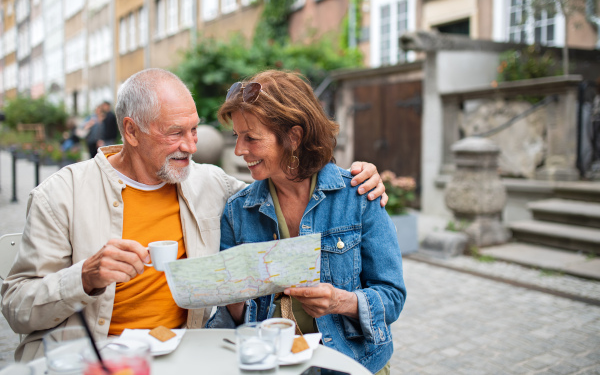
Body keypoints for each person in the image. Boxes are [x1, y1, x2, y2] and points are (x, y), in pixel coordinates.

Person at [0, 68, 387, 362]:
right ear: (132, 132)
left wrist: (357, 178)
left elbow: (289, 187)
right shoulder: (61, 195)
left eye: (194, 130)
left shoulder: (209, 184)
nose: (191, 146)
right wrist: (84, 277)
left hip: (181, 356)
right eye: (175, 133)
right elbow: (17, 308)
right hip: (90, 357)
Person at [206, 70, 406, 375]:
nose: (239, 150)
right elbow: (229, 322)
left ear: (294, 137)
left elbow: (392, 297)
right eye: (237, 136)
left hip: (353, 365)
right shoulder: (238, 211)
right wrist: (232, 298)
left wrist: (340, 301)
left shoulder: (358, 195)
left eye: (251, 138)